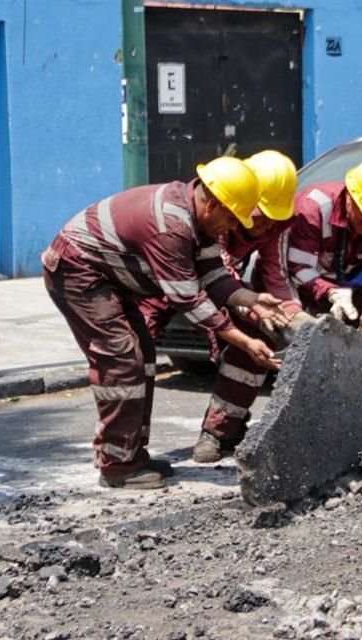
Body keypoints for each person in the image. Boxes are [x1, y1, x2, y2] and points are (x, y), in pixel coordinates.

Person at [41, 156, 290, 490]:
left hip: (108, 276)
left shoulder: (199, 219)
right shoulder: (171, 227)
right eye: (230, 218)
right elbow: (189, 299)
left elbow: (214, 275)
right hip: (78, 271)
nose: (232, 227)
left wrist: (251, 299)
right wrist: (244, 342)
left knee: (142, 354)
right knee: (122, 360)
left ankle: (130, 454)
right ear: (213, 204)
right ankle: (118, 467)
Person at [140, 150, 309, 463]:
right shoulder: (217, 216)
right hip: (166, 289)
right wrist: (250, 310)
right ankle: (128, 451)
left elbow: (276, 274)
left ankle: (219, 433)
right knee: (136, 357)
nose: (266, 227)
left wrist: (294, 316)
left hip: (220, 289)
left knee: (256, 349)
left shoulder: (273, 225)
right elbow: (219, 276)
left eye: (274, 219)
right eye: (261, 217)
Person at [285, 157, 362, 347]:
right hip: (294, 295)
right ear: (349, 196)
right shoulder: (314, 209)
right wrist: (331, 292)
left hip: (343, 300)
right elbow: (297, 267)